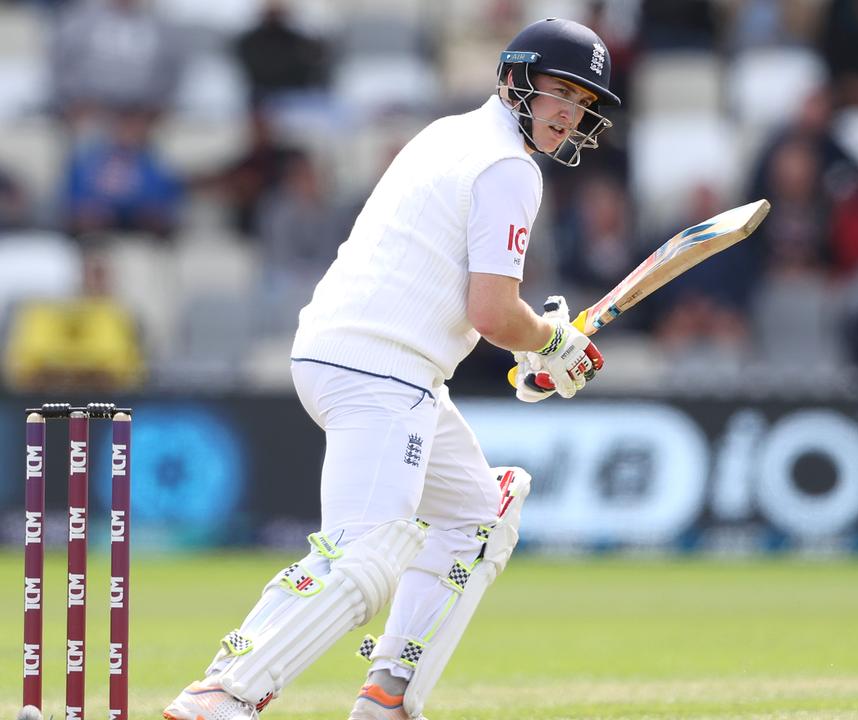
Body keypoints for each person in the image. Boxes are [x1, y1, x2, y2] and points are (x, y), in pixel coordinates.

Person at [161, 18, 619, 720]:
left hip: (358, 355)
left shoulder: (448, 133)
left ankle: (388, 698)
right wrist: (550, 343)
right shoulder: (508, 166)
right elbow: (493, 311)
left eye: (583, 102)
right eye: (560, 91)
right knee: (368, 554)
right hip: (383, 368)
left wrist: (539, 346)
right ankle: (223, 693)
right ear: (517, 80)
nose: (570, 112)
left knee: (479, 515)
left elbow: (457, 288)